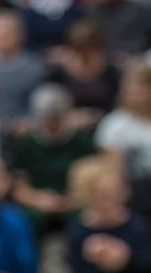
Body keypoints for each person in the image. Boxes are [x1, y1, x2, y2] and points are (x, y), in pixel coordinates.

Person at [8, 85, 97, 237]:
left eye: (57, 118)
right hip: (38, 200)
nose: (52, 124)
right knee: (28, 218)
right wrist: (38, 199)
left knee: (85, 218)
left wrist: (71, 200)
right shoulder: (27, 144)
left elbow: (94, 180)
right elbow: (19, 186)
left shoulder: (81, 142)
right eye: (48, 119)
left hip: (74, 200)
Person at [0, 12, 45, 132]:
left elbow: (38, 103)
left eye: (7, 32)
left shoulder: (33, 66)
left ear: (19, 35)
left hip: (23, 129)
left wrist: (29, 121)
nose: (1, 35)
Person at [96, 63, 151, 220]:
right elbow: (112, 171)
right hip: (131, 192)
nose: (137, 92)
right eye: (133, 86)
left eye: (143, 86)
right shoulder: (114, 125)